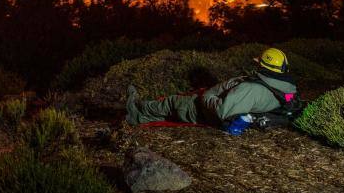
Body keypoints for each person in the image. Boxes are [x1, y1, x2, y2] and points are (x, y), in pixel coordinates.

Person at [125, 48, 298, 133]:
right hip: (229, 103)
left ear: (264, 66)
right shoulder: (286, 87)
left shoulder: (251, 90)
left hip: (204, 112)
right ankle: (139, 117)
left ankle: (137, 109)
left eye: (259, 63)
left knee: (172, 102)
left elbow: (221, 111)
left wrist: (207, 95)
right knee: (170, 110)